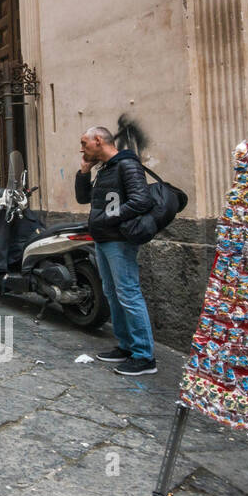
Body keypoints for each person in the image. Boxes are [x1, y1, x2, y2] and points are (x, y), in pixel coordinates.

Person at [75, 126, 156, 376]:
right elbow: (82, 198)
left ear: (98, 140)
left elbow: (141, 200)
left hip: (119, 240)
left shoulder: (128, 165)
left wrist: (107, 219)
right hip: (103, 239)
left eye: (84, 143)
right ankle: (126, 346)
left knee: (128, 293)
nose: (82, 148)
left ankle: (144, 357)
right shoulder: (106, 168)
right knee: (112, 293)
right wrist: (84, 172)